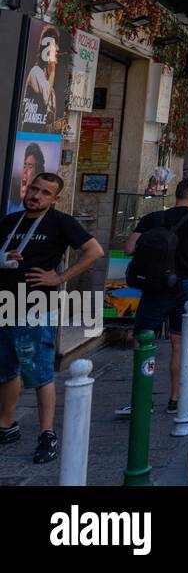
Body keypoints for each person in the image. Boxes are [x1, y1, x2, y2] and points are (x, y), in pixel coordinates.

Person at [0, 173, 104, 464]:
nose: (36, 195)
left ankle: (47, 433)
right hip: (4, 304)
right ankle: (6, 425)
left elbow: (94, 251)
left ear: (54, 199)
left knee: (40, 371)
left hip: (34, 307)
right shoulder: (10, 222)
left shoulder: (60, 222)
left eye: (45, 192)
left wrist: (60, 277)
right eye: (34, 189)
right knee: (6, 369)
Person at [116, 179, 188, 418]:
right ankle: (175, 399)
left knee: (143, 340)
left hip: (157, 286)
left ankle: (143, 398)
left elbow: (129, 248)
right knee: (179, 344)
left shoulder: (153, 219)